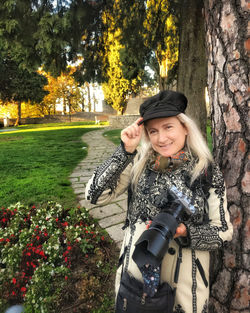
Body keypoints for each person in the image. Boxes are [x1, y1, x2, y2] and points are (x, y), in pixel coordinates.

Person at [85, 90, 233, 313]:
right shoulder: (138, 164)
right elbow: (94, 195)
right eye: (153, 131)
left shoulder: (206, 172)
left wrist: (186, 233)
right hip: (136, 280)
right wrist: (125, 151)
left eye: (168, 127)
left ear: (185, 127)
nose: (161, 138)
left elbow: (223, 231)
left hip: (184, 285)